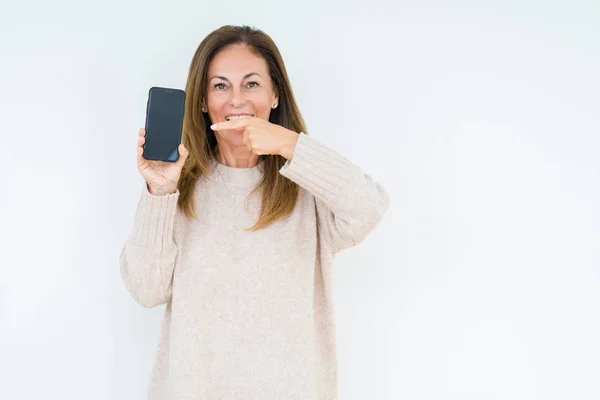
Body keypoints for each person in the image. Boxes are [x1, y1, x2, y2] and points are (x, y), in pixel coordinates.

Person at [119, 24, 389, 400]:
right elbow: (146, 290)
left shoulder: (307, 187)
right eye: (220, 85)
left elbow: (368, 208)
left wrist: (291, 145)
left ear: (275, 95)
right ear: (202, 100)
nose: (236, 100)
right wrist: (160, 191)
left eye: (251, 84)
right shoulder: (179, 191)